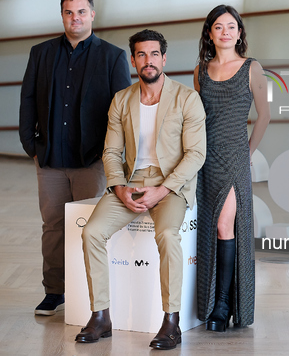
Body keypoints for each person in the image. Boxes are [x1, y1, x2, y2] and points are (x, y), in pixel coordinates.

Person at [75, 29, 206, 349]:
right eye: (141, 55)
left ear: (164, 58)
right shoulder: (122, 99)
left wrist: (162, 190)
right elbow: (110, 152)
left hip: (171, 185)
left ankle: (171, 320)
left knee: (166, 235)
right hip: (130, 184)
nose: (148, 61)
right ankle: (101, 315)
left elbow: (196, 154)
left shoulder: (187, 98)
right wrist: (119, 187)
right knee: (91, 232)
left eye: (154, 54)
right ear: (133, 60)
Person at [19, 0, 131, 316]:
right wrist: (31, 145)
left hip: (92, 161)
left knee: (91, 227)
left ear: (92, 15)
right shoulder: (40, 53)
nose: (75, 18)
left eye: (81, 12)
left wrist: (111, 155)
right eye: (69, 12)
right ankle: (54, 292)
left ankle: (90, 295)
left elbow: (121, 110)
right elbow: (27, 100)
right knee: (53, 226)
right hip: (50, 158)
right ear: (63, 16)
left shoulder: (112, 56)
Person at [193, 5, 270, 332]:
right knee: (210, 227)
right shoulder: (199, 71)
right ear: (210, 33)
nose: (225, 32)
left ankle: (223, 305)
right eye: (219, 27)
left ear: (239, 32)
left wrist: (247, 153)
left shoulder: (252, 68)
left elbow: (264, 116)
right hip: (203, 159)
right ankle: (211, 301)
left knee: (226, 225)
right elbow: (193, 120)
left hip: (235, 158)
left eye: (231, 26)